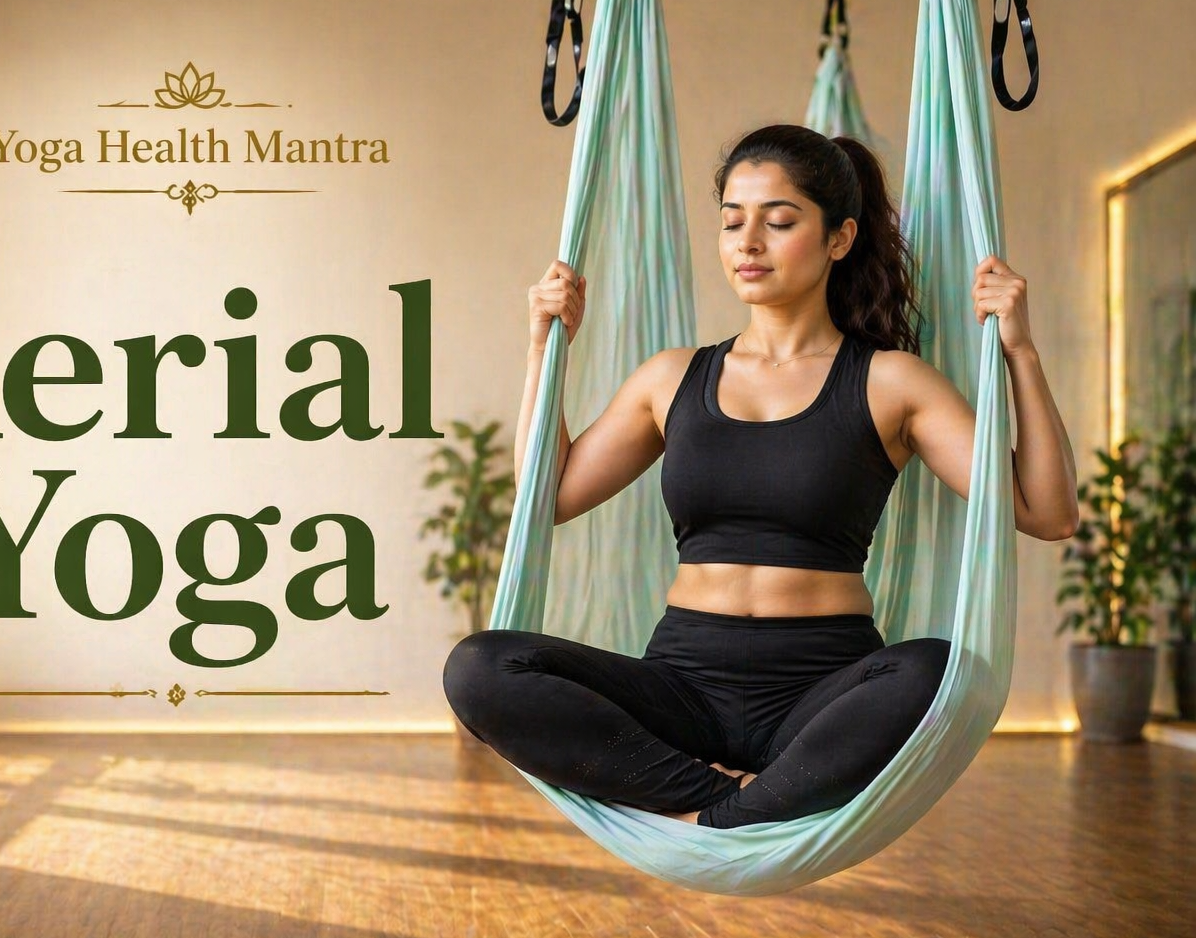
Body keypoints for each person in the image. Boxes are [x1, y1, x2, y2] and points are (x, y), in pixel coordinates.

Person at [442, 124, 1077, 829]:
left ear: (839, 237)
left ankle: (721, 808)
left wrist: (1019, 350)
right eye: (732, 222)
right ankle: (732, 805)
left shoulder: (889, 382)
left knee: (938, 671)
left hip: (820, 696)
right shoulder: (671, 377)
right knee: (479, 667)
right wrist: (542, 349)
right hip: (681, 686)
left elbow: (1046, 513)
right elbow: (547, 496)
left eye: (779, 222)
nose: (748, 243)